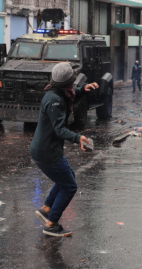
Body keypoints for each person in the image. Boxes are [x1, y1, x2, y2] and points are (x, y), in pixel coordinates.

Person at [31, 62, 98, 237]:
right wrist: (78, 138)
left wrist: (84, 89)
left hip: (46, 149)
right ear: (67, 83)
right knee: (69, 186)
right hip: (47, 152)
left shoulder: (56, 93)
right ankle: (51, 224)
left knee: (66, 179)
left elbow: (72, 94)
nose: (73, 85)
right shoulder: (55, 100)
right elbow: (59, 129)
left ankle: (46, 209)